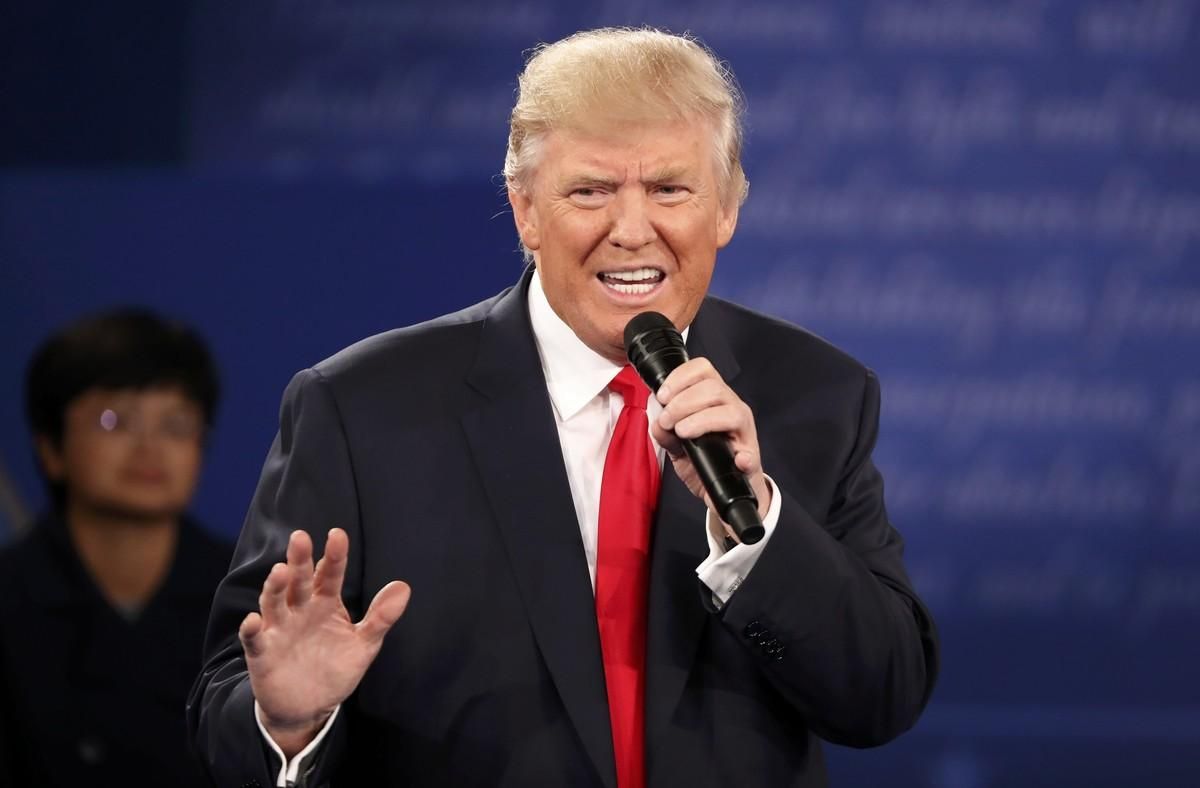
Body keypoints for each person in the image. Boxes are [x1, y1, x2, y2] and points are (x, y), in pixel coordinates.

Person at [189, 27, 939, 788]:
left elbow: (881, 697)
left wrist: (761, 530)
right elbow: (225, 703)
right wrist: (288, 723)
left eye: (670, 189)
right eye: (591, 191)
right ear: (525, 213)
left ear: (726, 210)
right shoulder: (362, 408)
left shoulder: (817, 394)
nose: (632, 229)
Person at [0, 308, 233, 787]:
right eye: (115, 420)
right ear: (50, 448)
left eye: (176, 423)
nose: (149, 447)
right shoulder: (10, 597)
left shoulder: (247, 598)